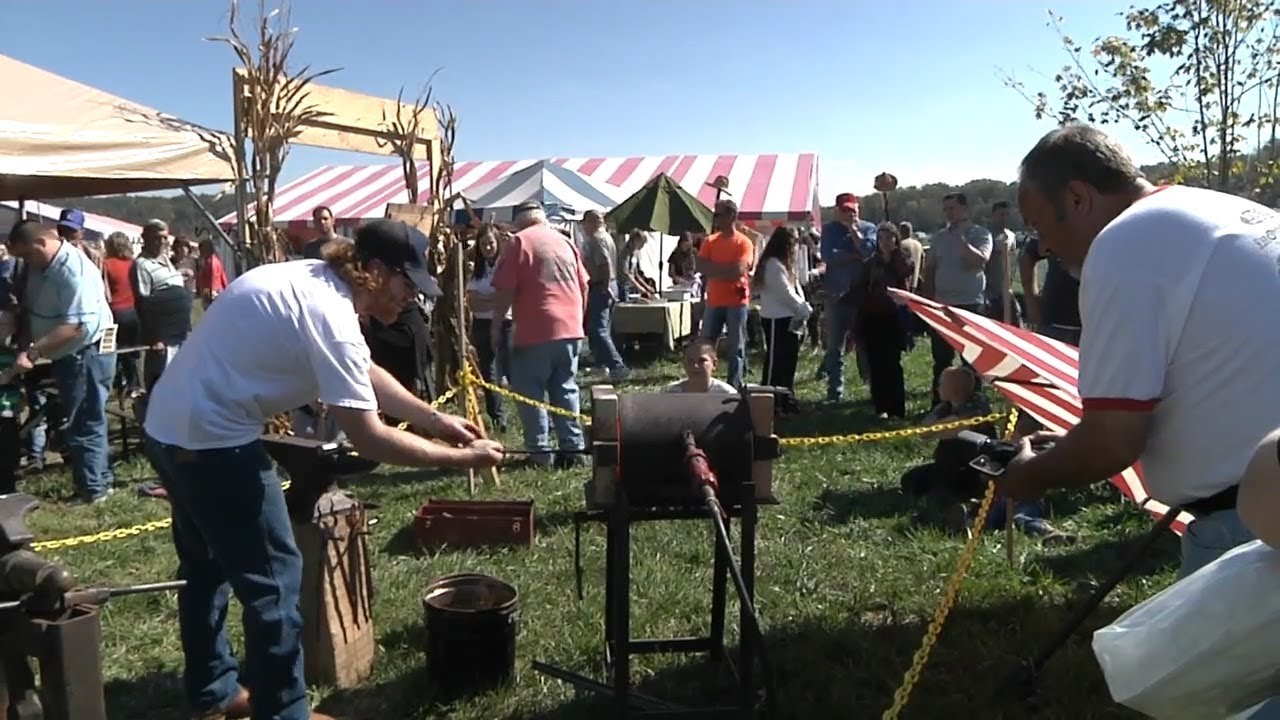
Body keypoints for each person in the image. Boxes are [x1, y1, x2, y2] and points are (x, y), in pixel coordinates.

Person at [142, 218, 503, 720]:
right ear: (375, 271)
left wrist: (434, 419)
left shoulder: (314, 280)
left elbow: (363, 371)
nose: (411, 300)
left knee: (205, 568)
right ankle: (283, 709)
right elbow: (370, 437)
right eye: (407, 285)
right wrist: (463, 458)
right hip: (212, 442)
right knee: (274, 582)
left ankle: (213, 689)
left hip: (167, 426)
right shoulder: (329, 313)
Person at [1000, 124, 1280, 589]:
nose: (1043, 246)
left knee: (1203, 665)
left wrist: (1029, 475)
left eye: (1038, 225)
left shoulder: (1124, 245)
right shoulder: (1219, 209)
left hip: (1254, 527)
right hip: (1262, 495)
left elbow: (1113, 441)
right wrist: (1076, 443)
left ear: (1076, 198)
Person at [4, 220, 116, 504]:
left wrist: (31, 353)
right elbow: (33, 309)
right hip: (66, 353)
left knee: (84, 419)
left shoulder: (73, 271)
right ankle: (98, 481)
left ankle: (94, 490)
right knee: (83, 417)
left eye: (27, 255)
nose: (25, 262)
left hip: (86, 351)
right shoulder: (39, 267)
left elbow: (75, 326)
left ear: (41, 243)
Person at [489, 201, 589, 469]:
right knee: (565, 387)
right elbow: (584, 285)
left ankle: (540, 453)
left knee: (531, 392)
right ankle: (573, 449)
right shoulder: (565, 242)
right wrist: (579, 319)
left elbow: (505, 290)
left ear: (518, 223)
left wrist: (496, 326)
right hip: (570, 327)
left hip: (535, 328)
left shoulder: (518, 243)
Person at [922, 192, 992, 405]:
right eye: (945, 209)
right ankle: (941, 403)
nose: (948, 213)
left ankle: (973, 403)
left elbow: (979, 262)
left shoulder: (980, 234)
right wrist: (928, 302)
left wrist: (962, 239)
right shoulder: (940, 237)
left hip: (971, 305)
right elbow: (931, 269)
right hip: (943, 306)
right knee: (941, 359)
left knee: (971, 360)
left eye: (952, 208)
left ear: (965, 210)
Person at [818, 192, 875, 401]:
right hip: (836, 294)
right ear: (837, 211)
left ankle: (871, 389)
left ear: (858, 210)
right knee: (835, 346)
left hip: (862, 294)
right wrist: (854, 255)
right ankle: (835, 392)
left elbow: (869, 252)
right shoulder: (829, 230)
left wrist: (854, 231)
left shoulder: (868, 228)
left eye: (852, 210)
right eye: (845, 210)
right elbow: (827, 255)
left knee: (865, 345)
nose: (849, 214)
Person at [854, 222, 914, 419]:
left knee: (892, 363)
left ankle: (896, 408)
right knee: (875, 363)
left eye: (889, 238)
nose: (885, 242)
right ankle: (881, 407)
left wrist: (892, 260)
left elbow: (906, 276)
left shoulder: (903, 260)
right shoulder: (870, 263)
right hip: (872, 317)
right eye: (881, 239)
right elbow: (862, 288)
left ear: (896, 239)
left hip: (894, 317)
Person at [697, 199, 755, 388]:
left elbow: (738, 270)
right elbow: (701, 266)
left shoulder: (744, 242)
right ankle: (703, 382)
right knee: (706, 345)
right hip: (714, 300)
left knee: (735, 347)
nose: (715, 218)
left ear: (731, 216)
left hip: (736, 302)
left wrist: (715, 270)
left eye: (718, 214)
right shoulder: (710, 241)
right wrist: (726, 271)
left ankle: (735, 385)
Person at [752, 227, 809, 413]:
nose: (795, 247)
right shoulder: (773, 265)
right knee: (775, 362)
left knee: (788, 361)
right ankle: (769, 401)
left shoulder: (784, 264)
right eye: (793, 243)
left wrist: (803, 307)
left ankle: (785, 398)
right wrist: (800, 307)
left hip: (790, 318)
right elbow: (784, 293)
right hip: (776, 319)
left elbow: (796, 287)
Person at [467, 227, 512, 431]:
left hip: (505, 322)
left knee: (512, 369)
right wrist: (495, 299)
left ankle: (534, 414)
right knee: (489, 371)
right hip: (481, 323)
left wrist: (492, 300)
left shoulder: (506, 266)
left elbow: (508, 297)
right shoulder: (476, 269)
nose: (487, 247)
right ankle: (498, 418)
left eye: (491, 243)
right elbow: (473, 303)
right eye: (483, 244)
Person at [579, 210, 627, 382]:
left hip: (601, 285)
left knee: (597, 329)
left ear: (590, 222)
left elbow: (604, 263)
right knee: (603, 328)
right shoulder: (607, 237)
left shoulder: (596, 239)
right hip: (609, 284)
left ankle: (617, 366)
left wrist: (605, 286)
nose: (583, 227)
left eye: (584, 223)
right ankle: (602, 365)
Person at [663, 338, 738, 394]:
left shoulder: (726, 393)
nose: (695, 366)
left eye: (702, 361)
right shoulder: (670, 392)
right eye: (690, 361)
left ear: (714, 364)